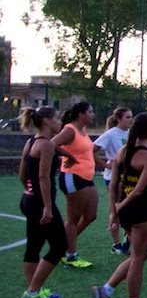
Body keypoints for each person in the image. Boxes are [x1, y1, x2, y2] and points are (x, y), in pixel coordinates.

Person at [91, 113, 147, 298]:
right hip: (143, 211)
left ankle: (106, 291)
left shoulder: (122, 152)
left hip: (127, 213)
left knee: (139, 255)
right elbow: (138, 191)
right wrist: (119, 206)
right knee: (138, 258)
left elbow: (113, 185)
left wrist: (114, 211)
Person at [17, 107, 67, 298]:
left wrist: (30, 193)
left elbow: (22, 174)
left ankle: (34, 292)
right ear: (46, 121)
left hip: (28, 199)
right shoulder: (46, 145)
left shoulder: (30, 142)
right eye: (57, 118)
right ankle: (32, 292)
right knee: (59, 246)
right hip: (39, 203)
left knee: (34, 246)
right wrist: (46, 206)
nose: (60, 122)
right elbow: (43, 177)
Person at [51, 102, 102, 268]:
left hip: (87, 177)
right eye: (90, 112)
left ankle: (63, 245)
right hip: (72, 177)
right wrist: (68, 156)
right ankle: (71, 256)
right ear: (81, 114)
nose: (93, 115)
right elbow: (52, 144)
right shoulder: (69, 130)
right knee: (73, 219)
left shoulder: (82, 130)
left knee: (90, 216)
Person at [93, 108, 133, 254]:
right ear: (119, 119)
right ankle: (116, 245)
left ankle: (127, 240)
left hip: (128, 178)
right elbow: (92, 150)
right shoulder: (111, 134)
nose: (130, 120)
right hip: (113, 178)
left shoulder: (130, 133)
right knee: (116, 209)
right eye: (128, 117)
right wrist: (105, 164)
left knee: (129, 209)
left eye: (131, 117)